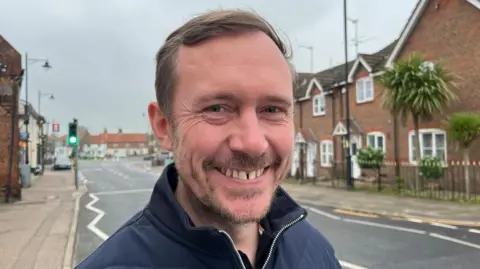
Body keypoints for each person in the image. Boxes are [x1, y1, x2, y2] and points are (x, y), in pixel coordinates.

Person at [76, 9, 341, 269]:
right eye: (216, 108)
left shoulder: (315, 250)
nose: (252, 143)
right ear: (163, 127)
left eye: (272, 110)